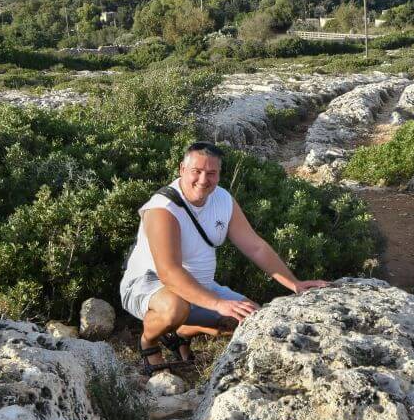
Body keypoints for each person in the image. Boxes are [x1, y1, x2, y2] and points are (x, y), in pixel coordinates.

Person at [119, 141, 329, 368]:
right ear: (182, 169)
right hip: (151, 285)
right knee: (175, 308)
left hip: (202, 287)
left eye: (211, 173)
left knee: (253, 319)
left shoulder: (222, 199)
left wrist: (294, 284)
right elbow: (169, 273)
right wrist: (218, 303)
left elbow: (255, 246)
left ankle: (180, 332)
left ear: (219, 174)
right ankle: (149, 341)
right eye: (196, 172)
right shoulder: (163, 209)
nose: (203, 180)